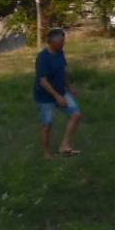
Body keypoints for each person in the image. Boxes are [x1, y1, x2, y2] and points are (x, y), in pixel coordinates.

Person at [33, 27, 83, 157]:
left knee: (76, 115)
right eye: (61, 42)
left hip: (61, 91)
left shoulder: (60, 52)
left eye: (63, 41)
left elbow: (63, 71)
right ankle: (46, 152)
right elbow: (42, 81)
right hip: (45, 97)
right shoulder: (43, 58)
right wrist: (57, 97)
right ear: (52, 42)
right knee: (47, 125)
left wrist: (69, 87)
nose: (63, 44)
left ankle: (64, 146)